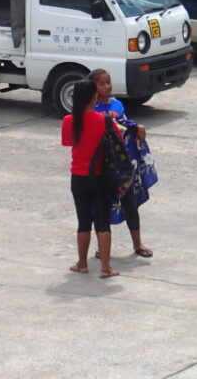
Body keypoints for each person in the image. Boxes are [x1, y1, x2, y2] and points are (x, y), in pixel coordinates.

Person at [89, 68, 153, 258]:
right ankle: (102, 247)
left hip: (122, 165)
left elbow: (124, 124)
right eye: (102, 84)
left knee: (130, 203)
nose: (107, 86)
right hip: (102, 166)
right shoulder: (90, 110)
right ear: (93, 88)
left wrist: (137, 127)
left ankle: (137, 243)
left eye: (108, 82)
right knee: (101, 208)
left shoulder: (117, 104)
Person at [61, 78, 118, 278]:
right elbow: (118, 141)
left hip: (78, 176)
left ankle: (82, 263)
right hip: (102, 176)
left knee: (83, 221)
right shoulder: (105, 119)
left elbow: (68, 142)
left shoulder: (69, 121)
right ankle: (105, 268)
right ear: (95, 96)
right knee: (103, 222)